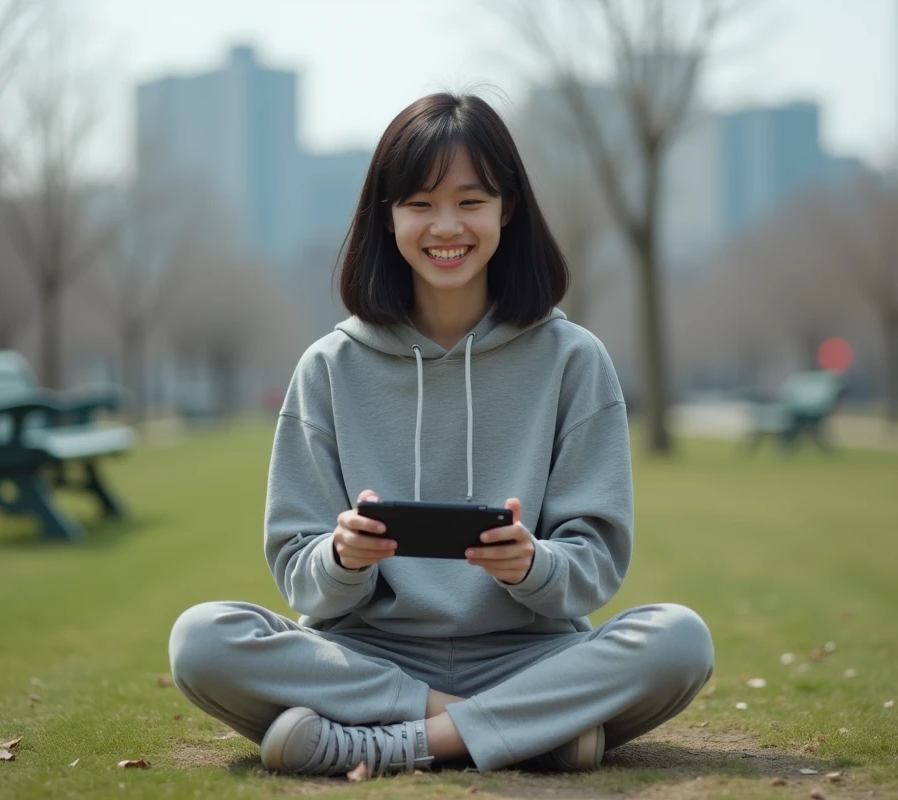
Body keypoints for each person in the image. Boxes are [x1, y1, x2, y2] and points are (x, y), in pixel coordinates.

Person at [168, 92, 714, 777]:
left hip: (529, 655)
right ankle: (532, 732)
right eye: (420, 203)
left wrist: (532, 564)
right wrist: (343, 558)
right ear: (388, 216)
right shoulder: (328, 368)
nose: (446, 226)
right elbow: (301, 580)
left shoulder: (573, 360)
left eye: (471, 201)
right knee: (202, 640)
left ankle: (402, 742)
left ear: (507, 209)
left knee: (679, 641)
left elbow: (594, 563)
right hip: (368, 655)